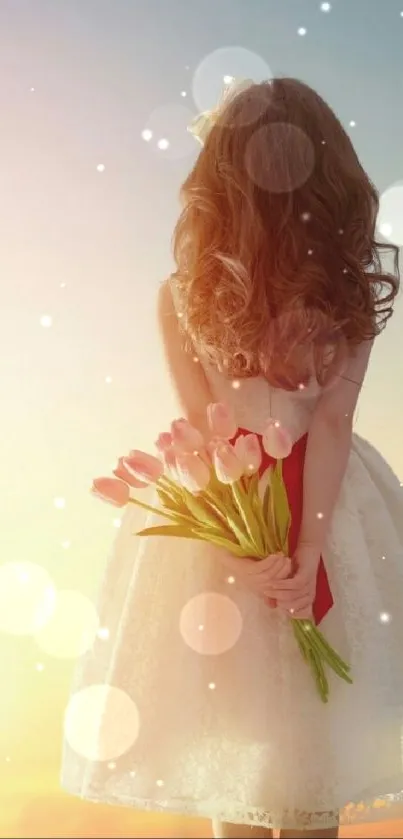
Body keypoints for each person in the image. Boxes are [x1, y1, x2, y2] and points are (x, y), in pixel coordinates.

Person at [61, 78, 403, 839]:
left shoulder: (184, 292)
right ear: (333, 177)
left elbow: (207, 432)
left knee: (237, 739)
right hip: (330, 502)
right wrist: (310, 547)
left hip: (226, 508)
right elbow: (334, 424)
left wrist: (247, 550)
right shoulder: (350, 291)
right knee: (314, 744)